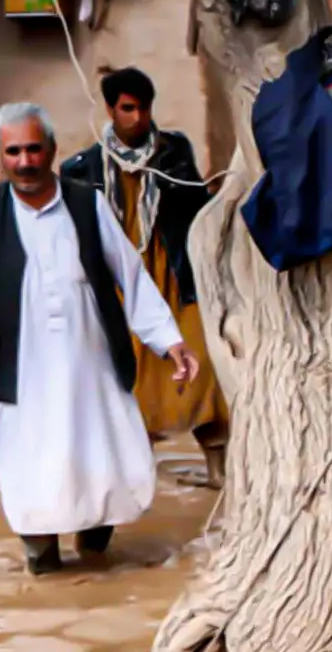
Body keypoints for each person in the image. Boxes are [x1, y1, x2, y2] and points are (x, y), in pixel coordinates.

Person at [0, 102, 199, 575]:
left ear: (52, 150)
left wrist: (168, 340)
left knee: (101, 460)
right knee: (32, 466)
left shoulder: (86, 202)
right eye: (14, 152)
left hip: (91, 365)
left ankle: (97, 563)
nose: (26, 161)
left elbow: (130, 278)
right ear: (1, 157)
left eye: (35, 149)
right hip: (23, 368)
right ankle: (43, 564)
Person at [61, 68, 229, 487]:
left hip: (172, 277)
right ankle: (134, 480)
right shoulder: (82, 167)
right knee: (129, 381)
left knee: (201, 369)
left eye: (143, 108)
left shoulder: (173, 154)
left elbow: (195, 211)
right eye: (127, 108)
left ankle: (218, 470)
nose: (136, 118)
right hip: (119, 287)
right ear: (111, 109)